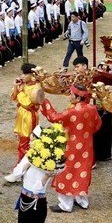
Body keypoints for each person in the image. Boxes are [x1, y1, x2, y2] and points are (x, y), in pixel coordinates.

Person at [41, 84, 101, 213]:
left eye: (72, 95)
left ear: (78, 98)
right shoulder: (92, 108)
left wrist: (45, 102)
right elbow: (97, 125)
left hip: (71, 146)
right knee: (82, 171)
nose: (70, 97)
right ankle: (82, 200)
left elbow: (54, 117)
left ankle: (66, 205)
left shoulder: (73, 111)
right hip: (86, 146)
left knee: (66, 172)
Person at [5, 63, 44, 181]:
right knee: (22, 141)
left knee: (26, 143)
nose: (22, 76)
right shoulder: (24, 84)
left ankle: (21, 170)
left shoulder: (36, 88)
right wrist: (16, 87)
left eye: (24, 74)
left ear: (32, 75)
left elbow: (27, 103)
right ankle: (22, 167)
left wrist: (20, 91)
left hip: (29, 116)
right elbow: (13, 97)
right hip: (22, 114)